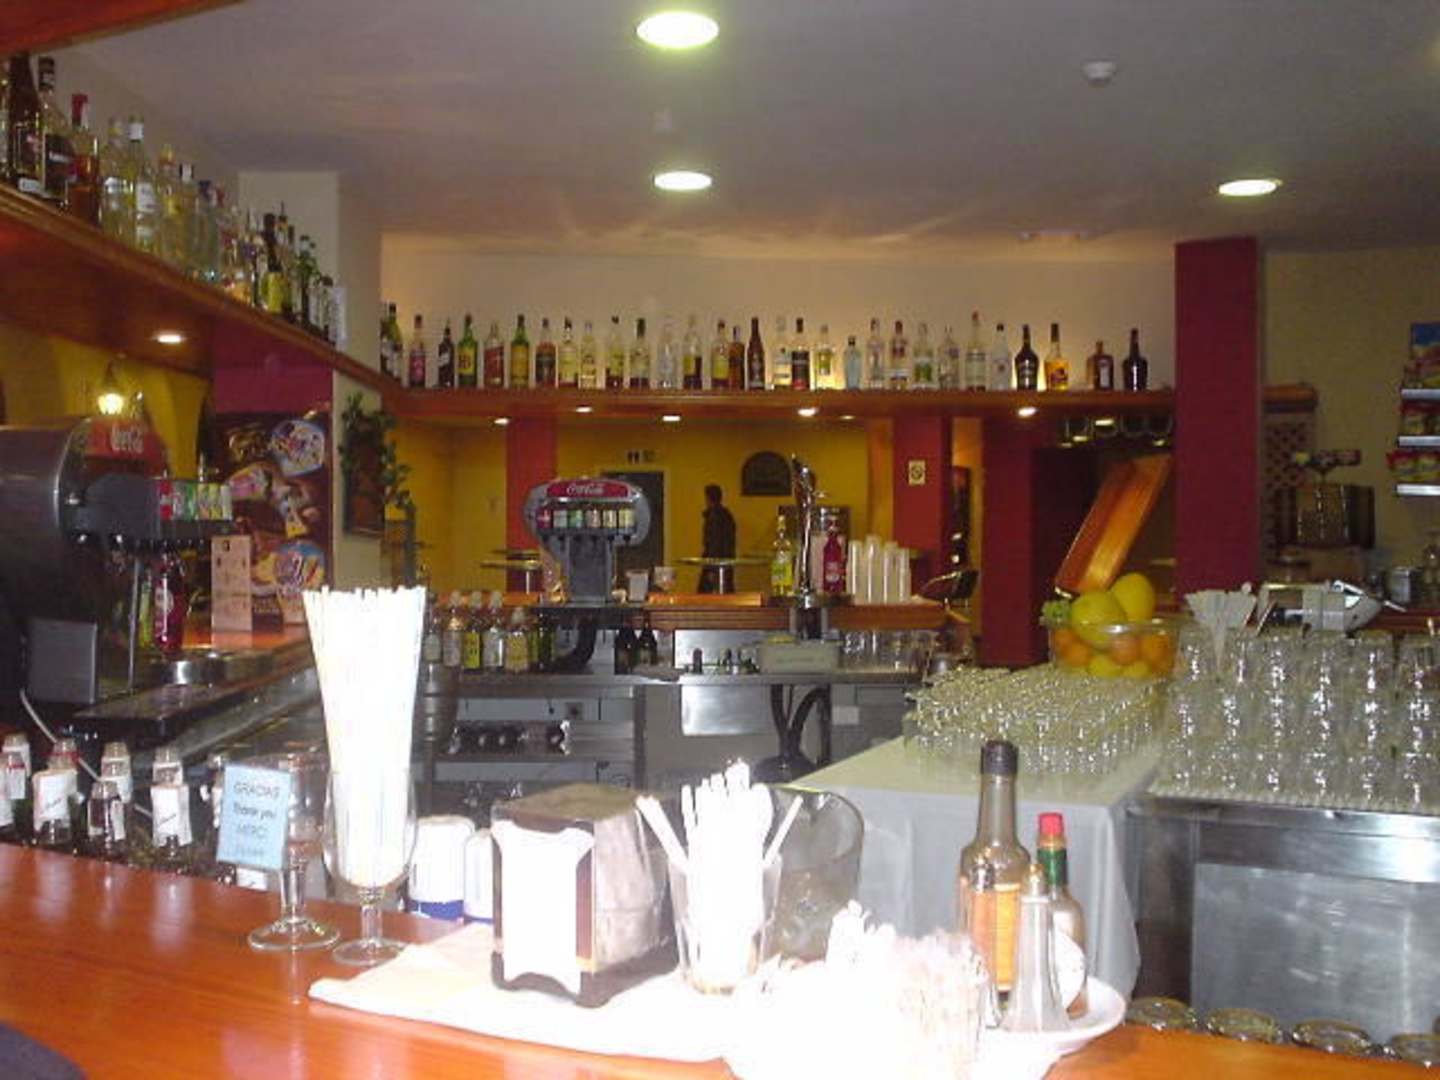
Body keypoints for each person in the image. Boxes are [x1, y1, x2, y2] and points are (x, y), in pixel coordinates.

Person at [699, 483, 737, 593]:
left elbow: (714, 543)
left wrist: (711, 568)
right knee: (726, 591)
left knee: (706, 594)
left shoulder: (714, 517)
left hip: (714, 563)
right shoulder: (727, 516)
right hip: (726, 562)